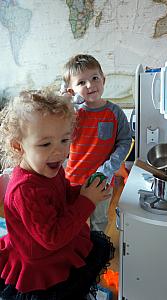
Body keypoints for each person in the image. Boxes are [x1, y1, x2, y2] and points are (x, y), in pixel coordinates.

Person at [0, 89, 114, 300]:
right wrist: (86, 201)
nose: (59, 152)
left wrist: (81, 191)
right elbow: (52, 238)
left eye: (64, 140)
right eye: (45, 144)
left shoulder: (49, 167)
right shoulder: (25, 190)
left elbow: (59, 195)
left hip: (58, 247)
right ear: (18, 146)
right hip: (41, 263)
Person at [61, 54, 132, 232]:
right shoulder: (72, 114)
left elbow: (124, 142)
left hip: (101, 180)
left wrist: (108, 168)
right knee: (72, 220)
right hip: (73, 180)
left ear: (103, 79)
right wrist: (66, 100)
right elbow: (58, 132)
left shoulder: (115, 112)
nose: (90, 85)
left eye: (94, 78)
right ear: (71, 89)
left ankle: (97, 254)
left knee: (98, 222)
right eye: (81, 83)